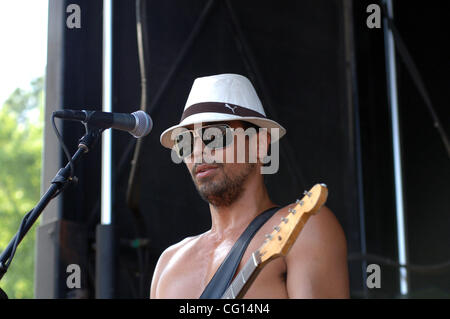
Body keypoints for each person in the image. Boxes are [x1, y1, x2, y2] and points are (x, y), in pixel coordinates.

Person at [151, 73, 349, 298]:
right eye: (185, 142)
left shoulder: (304, 226)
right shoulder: (168, 263)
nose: (198, 151)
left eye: (215, 135)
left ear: (260, 144)